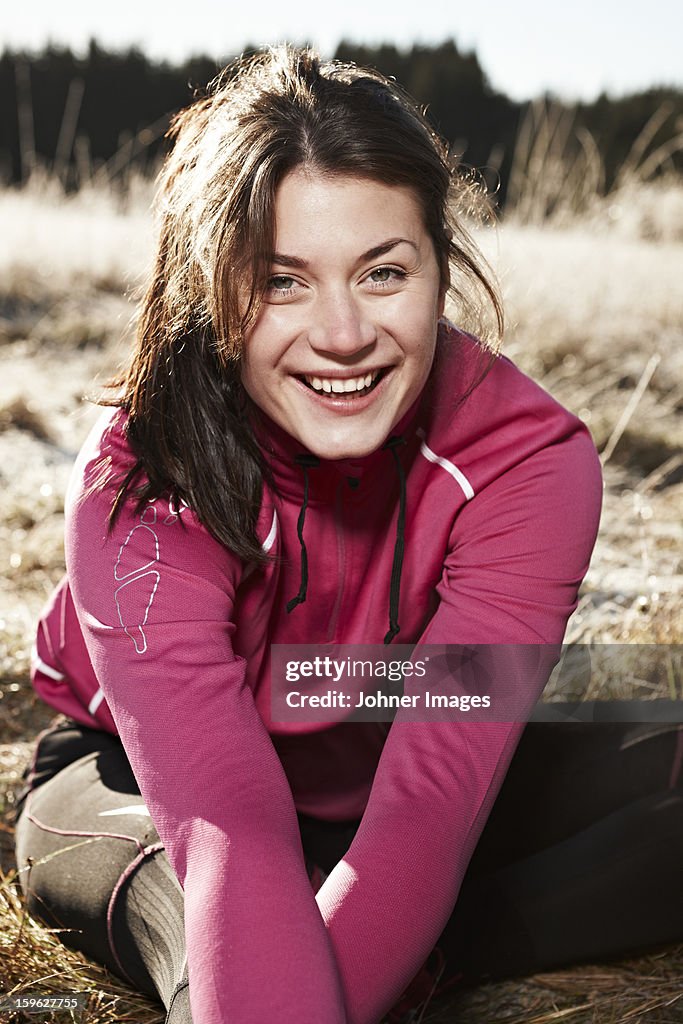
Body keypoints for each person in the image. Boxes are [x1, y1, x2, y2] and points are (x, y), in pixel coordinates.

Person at [12, 46, 683, 1024]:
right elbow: (228, 823)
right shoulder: (142, 473)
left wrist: (397, 878)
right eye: (282, 280)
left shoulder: (529, 459)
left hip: (353, 708)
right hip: (132, 773)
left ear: (438, 266)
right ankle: (365, 936)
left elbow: (426, 798)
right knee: (231, 929)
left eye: (381, 272)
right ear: (215, 294)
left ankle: (397, 927)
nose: (342, 335)